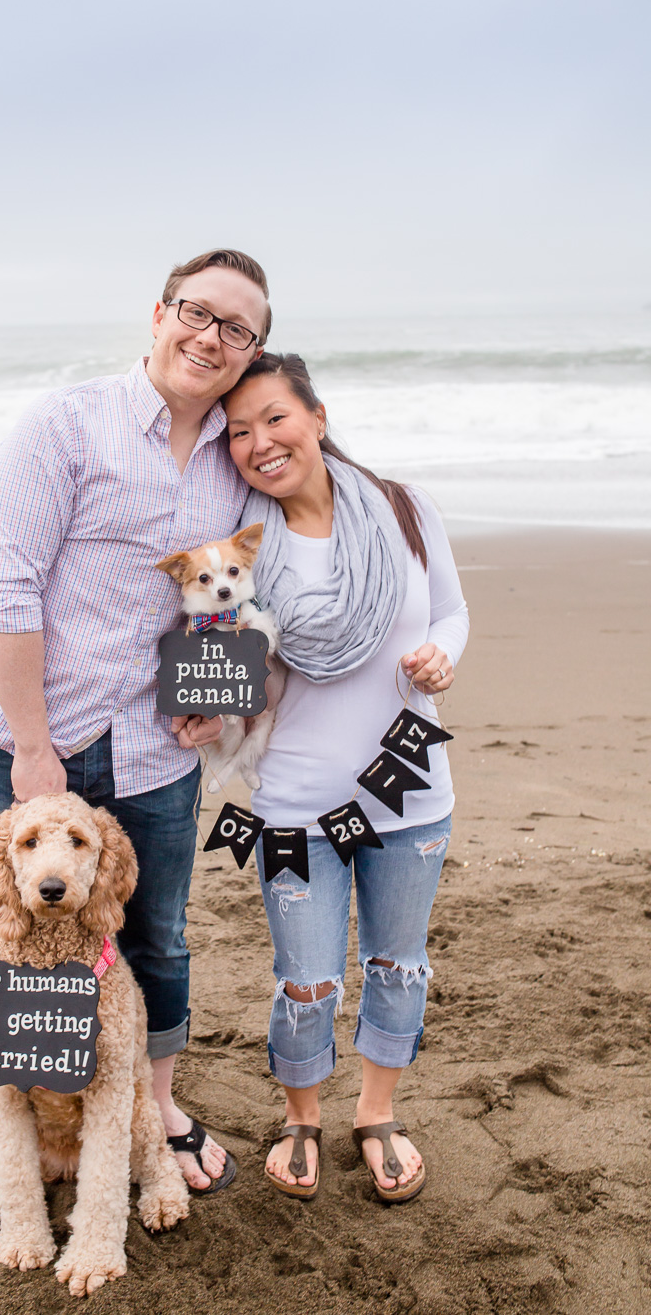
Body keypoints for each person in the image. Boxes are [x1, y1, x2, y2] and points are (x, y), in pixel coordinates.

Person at [0, 249, 271, 1242]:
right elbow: (7, 593)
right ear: (158, 314)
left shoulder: (237, 463)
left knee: (151, 939)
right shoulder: (62, 424)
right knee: (0, 939)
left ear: (251, 352)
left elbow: (224, 599)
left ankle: (152, 1111)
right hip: (34, 743)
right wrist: (33, 751)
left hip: (154, 755)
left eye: (237, 329)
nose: (211, 338)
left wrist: (213, 703)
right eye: (198, 313)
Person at [222, 352, 469, 1202]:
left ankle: (374, 1112)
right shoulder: (244, 550)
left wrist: (444, 656)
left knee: (399, 964)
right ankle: (302, 1115)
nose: (259, 442)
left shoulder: (403, 509)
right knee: (306, 978)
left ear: (317, 418)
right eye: (239, 432)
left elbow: (449, 610)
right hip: (295, 803)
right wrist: (209, 705)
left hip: (409, 792)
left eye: (275, 419)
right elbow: (223, 672)